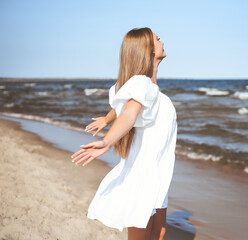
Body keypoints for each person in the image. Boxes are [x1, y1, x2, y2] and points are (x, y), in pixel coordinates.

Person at [71, 27, 177, 240]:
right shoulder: (142, 83)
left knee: (159, 231)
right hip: (144, 171)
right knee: (143, 232)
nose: (162, 41)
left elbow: (127, 107)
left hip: (159, 171)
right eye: (158, 39)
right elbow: (129, 114)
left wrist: (107, 119)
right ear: (148, 49)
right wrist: (107, 141)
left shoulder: (148, 87)